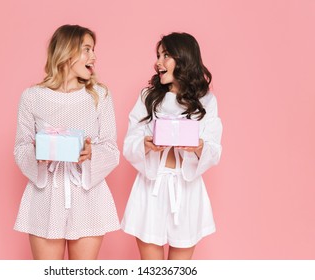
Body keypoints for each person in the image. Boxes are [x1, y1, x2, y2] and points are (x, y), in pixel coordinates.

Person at [13, 24, 120, 260]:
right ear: (66, 52)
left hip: (87, 195)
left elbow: (112, 149)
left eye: (93, 50)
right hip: (45, 197)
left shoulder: (99, 95)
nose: (93, 56)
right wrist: (37, 155)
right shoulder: (32, 97)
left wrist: (92, 152)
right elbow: (21, 147)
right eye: (87, 49)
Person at [121, 32, 222, 260]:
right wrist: (145, 144)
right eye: (158, 55)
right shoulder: (148, 96)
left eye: (166, 55)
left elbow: (214, 148)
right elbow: (130, 140)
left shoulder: (206, 101)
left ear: (183, 58)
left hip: (187, 189)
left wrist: (197, 146)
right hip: (151, 187)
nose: (158, 62)